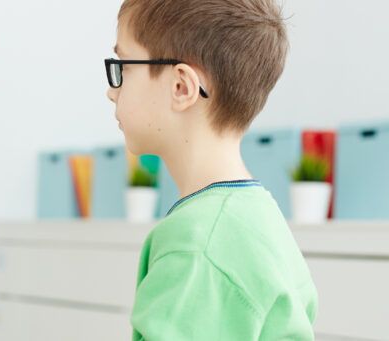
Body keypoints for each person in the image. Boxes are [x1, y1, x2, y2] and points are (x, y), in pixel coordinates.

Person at [105, 0, 318, 339]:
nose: (111, 92)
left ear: (181, 87)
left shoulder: (197, 244)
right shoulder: (262, 220)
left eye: (122, 67)